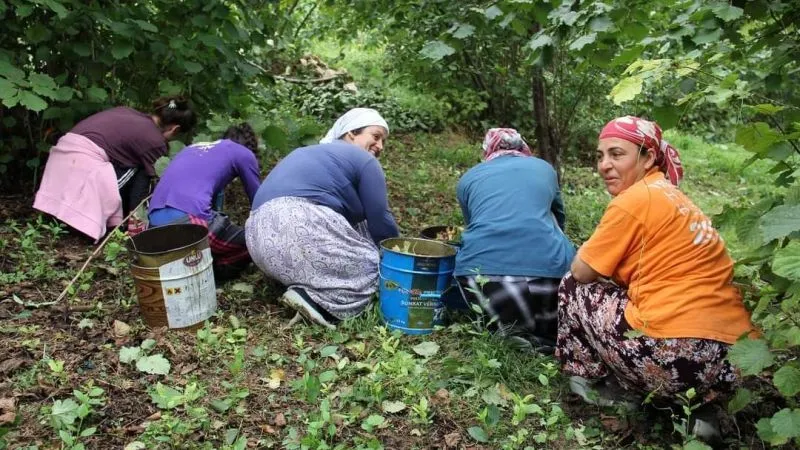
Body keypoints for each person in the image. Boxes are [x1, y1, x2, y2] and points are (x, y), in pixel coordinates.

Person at [557, 116, 756, 426]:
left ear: (648, 157)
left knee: (573, 286)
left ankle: (594, 383)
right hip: (737, 359)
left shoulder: (633, 200)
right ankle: (700, 411)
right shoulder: (674, 196)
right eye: (600, 156)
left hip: (674, 353)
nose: (604, 165)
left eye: (617, 154)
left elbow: (582, 271)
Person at [245, 108, 399, 329]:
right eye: (376, 136)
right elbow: (381, 218)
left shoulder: (310, 153)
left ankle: (301, 284)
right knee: (375, 270)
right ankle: (316, 302)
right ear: (351, 133)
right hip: (297, 224)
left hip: (257, 240)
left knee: (360, 232)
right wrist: (398, 255)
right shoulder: (364, 160)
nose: (380, 146)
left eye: (383, 141)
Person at [442, 128, 575, 353]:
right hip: (550, 279)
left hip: (485, 280)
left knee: (470, 259)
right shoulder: (544, 168)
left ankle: (509, 329)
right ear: (522, 147)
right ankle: (544, 334)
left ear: (487, 151)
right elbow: (559, 216)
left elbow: (474, 223)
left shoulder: (469, 178)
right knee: (548, 218)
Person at [33, 96, 196, 241]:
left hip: (61, 158)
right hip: (85, 163)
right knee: (145, 171)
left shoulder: (125, 111)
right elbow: (148, 186)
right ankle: (134, 225)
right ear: (175, 129)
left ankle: (58, 213)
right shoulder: (155, 141)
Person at [148, 123, 262, 282]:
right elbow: (259, 200)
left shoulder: (192, 148)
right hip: (188, 221)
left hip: (153, 225)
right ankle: (213, 278)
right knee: (254, 242)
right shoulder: (243, 153)